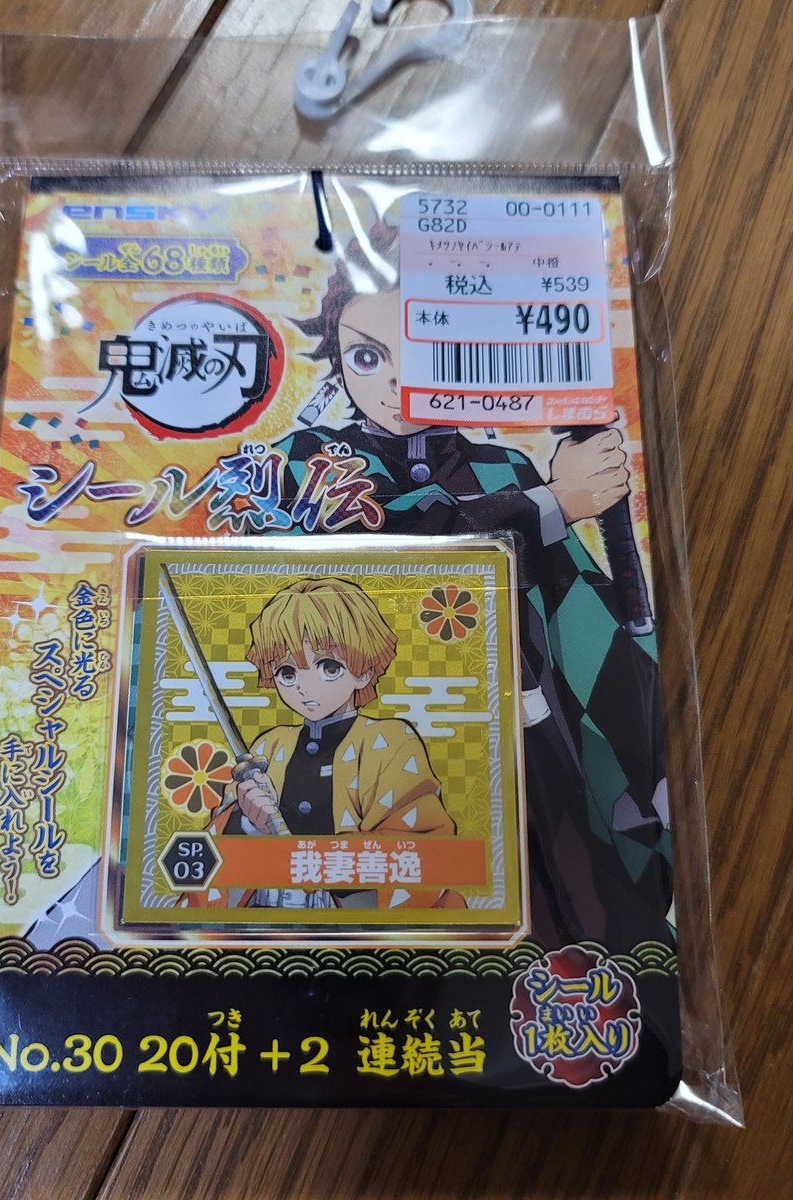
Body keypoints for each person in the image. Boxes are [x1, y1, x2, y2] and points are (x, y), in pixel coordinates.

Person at [277, 222, 672, 948]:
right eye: (367, 356)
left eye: (424, 352)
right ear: (338, 359)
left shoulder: (503, 467)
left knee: (570, 897)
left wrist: (643, 720)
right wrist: (555, 502)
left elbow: (574, 607)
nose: (395, 382)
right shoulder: (312, 461)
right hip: (365, 738)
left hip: (525, 730)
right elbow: (400, 543)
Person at [186, 575, 464, 912]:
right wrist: (248, 824)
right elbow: (207, 856)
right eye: (287, 672)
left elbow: (422, 847)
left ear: (364, 670)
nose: (304, 687)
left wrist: (319, 861)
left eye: (328, 667)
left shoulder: (389, 742)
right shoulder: (269, 746)